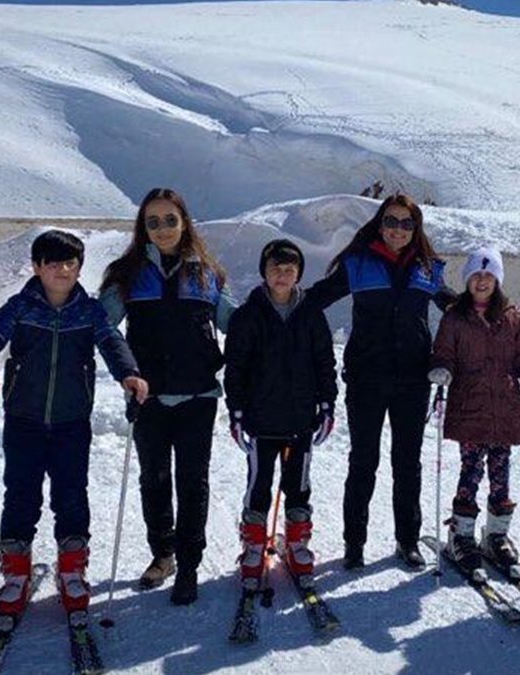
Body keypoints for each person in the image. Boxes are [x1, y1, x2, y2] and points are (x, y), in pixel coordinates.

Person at [0, 230, 148, 624]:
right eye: (53, 262)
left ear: (80, 267)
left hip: (72, 422)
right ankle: (15, 572)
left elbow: (112, 343)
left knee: (71, 495)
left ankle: (72, 569)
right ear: (37, 267)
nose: (62, 270)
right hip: (24, 421)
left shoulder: (90, 310)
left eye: (70, 263)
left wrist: (129, 374)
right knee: (20, 495)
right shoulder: (21, 307)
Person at [99, 188, 237, 605]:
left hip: (198, 394)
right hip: (149, 396)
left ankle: (190, 564)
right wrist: (124, 373)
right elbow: (102, 327)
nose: (162, 229)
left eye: (170, 220)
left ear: (184, 222)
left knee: (193, 481)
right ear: (143, 226)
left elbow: (236, 321)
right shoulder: (127, 274)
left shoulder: (206, 273)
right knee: (153, 478)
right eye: (153, 221)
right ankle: (163, 554)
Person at [306, 193, 457, 570]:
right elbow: (314, 300)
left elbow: (455, 309)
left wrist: (492, 309)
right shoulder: (358, 263)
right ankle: (354, 544)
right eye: (391, 221)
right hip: (366, 377)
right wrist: (273, 308)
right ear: (380, 223)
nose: (398, 230)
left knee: (407, 462)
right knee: (363, 461)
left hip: (412, 379)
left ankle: (407, 540)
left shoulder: (429, 268)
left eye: (407, 223)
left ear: (415, 228)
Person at [428, 247, 520, 576]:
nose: (482, 281)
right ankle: (461, 535)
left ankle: (497, 535)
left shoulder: (511, 317)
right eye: (476, 275)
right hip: (470, 406)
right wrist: (442, 370)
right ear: (467, 280)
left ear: (498, 280)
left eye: (489, 275)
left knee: (501, 474)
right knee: (470, 473)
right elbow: (443, 352)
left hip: (504, 408)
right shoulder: (455, 317)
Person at [224, 239, 338, 589]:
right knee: (259, 483)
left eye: (290, 269)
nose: (282, 275)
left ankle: (297, 540)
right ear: (264, 271)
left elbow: (324, 363)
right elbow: (236, 367)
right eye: (276, 268)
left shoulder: (311, 315)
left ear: (299, 274)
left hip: (301, 419)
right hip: (261, 419)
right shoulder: (248, 315)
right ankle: (255, 542)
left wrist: (327, 403)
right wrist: (237, 410)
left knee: (298, 484)